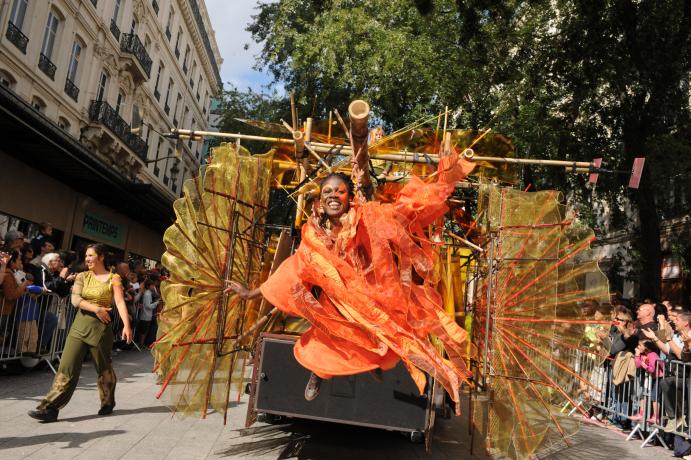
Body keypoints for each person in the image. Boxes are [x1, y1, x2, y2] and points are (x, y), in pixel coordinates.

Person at [227, 150, 475, 405]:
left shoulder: (366, 218)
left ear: (349, 196)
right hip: (338, 307)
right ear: (320, 201)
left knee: (392, 333)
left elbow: (404, 210)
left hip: (373, 297)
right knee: (326, 340)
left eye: (340, 191)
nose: (333, 195)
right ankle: (319, 373)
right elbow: (292, 270)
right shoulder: (313, 237)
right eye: (327, 192)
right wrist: (250, 293)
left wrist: (446, 175)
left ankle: (379, 364)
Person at [28, 244, 133, 422]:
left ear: (101, 257)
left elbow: (120, 302)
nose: (87, 259)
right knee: (66, 368)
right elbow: (75, 300)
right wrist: (96, 308)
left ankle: (107, 401)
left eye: (91, 255)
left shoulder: (113, 278)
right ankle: (50, 408)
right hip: (79, 327)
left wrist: (126, 325)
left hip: (101, 329)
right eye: (86, 255)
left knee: (104, 368)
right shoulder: (82, 276)